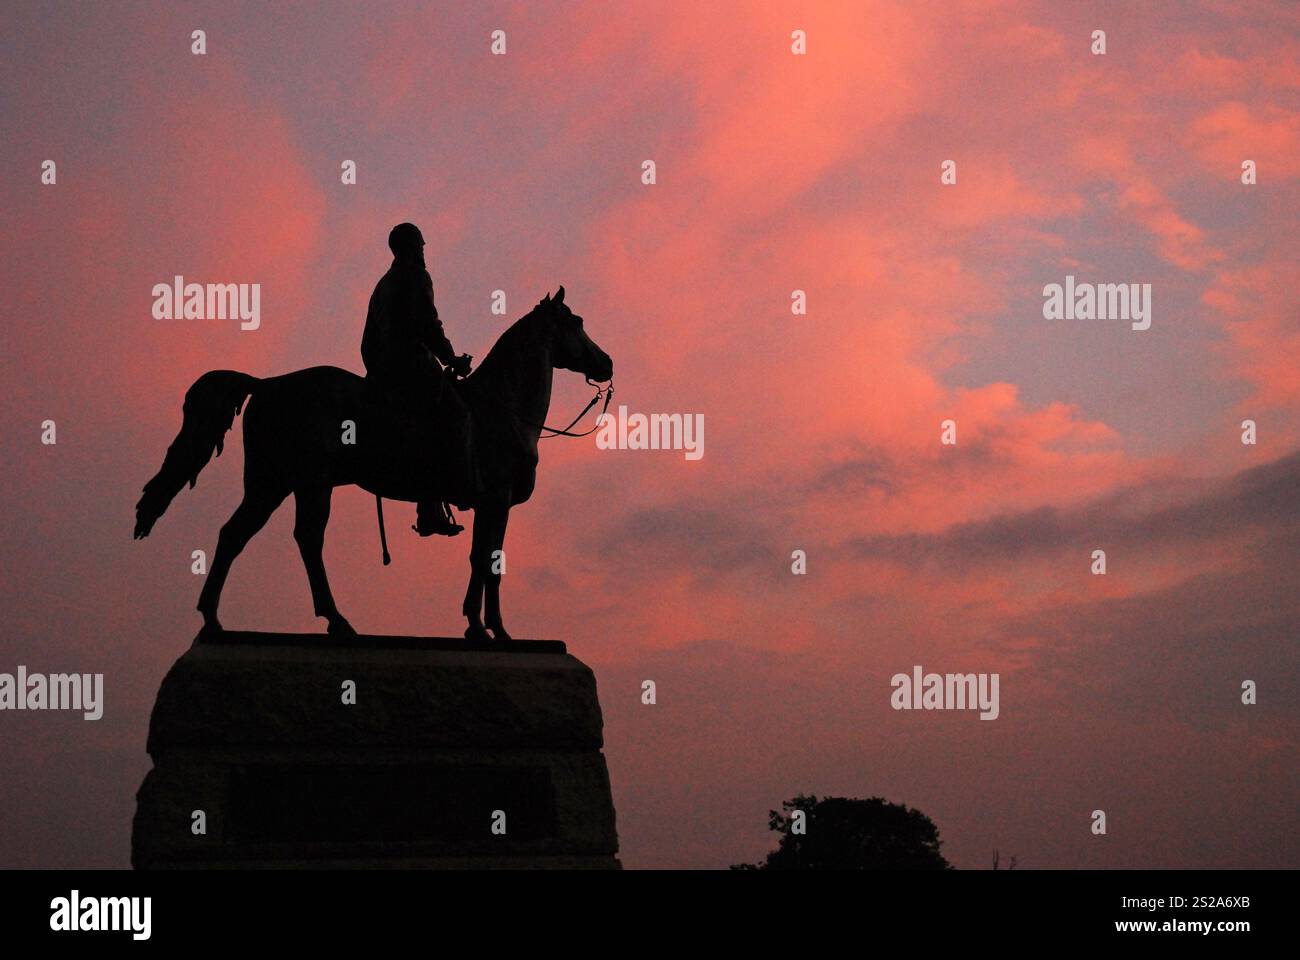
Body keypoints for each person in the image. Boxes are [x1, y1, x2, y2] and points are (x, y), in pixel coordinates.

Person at [361, 222, 474, 536]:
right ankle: (435, 503)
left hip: (383, 369)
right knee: (458, 415)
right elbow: (429, 324)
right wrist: (451, 360)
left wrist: (376, 371)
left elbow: (367, 340)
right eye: (421, 246)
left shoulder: (381, 285)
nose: (424, 252)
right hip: (412, 365)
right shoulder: (416, 276)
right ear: (412, 248)